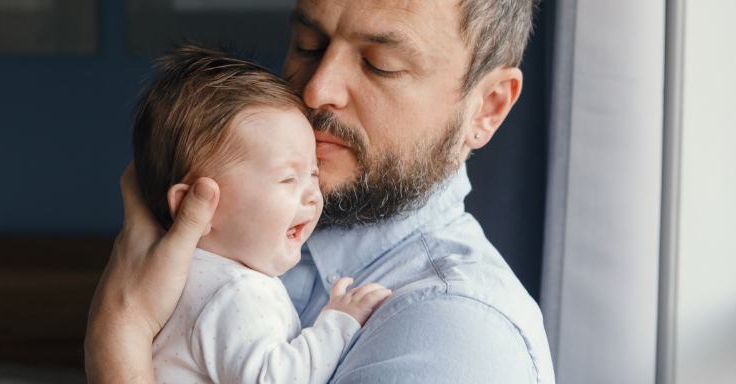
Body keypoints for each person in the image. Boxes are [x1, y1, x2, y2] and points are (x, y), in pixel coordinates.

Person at [85, 0, 554, 382]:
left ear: (486, 109)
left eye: (380, 65)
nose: (316, 90)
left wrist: (118, 333)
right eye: (308, 46)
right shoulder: (240, 240)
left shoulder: (455, 337)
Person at [133, 46, 391, 384]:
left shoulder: (180, 280)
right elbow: (274, 378)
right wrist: (337, 324)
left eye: (313, 174)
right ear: (193, 207)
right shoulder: (236, 291)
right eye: (288, 179)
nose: (314, 196)